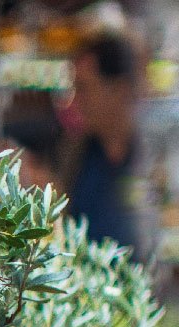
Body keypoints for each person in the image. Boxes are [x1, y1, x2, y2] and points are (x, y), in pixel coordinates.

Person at [65, 32, 143, 255]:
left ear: (119, 90)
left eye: (84, 88)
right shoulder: (73, 157)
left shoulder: (152, 158)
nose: (74, 101)